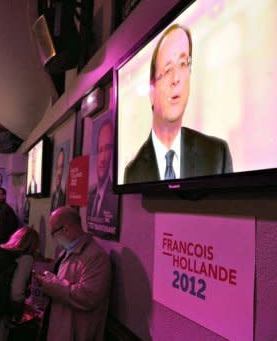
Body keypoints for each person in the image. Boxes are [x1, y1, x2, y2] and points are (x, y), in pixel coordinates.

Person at [124, 24, 233, 184]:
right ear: (152, 91)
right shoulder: (133, 172)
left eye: (183, 64)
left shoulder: (217, 155)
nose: (176, 79)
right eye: (167, 70)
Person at [36, 206, 111, 341]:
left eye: (53, 233)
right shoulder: (68, 250)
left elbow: (88, 297)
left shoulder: (96, 256)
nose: (53, 238)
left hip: (75, 333)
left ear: (65, 229)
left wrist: (50, 283)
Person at [86, 121, 119, 229]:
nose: (103, 159)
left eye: (108, 149)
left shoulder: (114, 193)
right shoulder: (91, 193)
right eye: (100, 150)